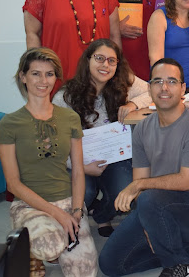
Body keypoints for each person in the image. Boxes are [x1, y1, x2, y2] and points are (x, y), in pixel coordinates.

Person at [99, 58, 189, 277]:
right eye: (157, 82)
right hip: (156, 206)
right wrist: (150, 224)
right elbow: (141, 184)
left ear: (183, 88)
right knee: (111, 264)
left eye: (172, 81)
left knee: (149, 198)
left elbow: (186, 181)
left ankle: (180, 264)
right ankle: (184, 246)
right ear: (149, 89)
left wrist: (138, 187)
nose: (164, 87)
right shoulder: (142, 128)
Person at [0, 48, 97, 277]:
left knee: (85, 273)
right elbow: (12, 183)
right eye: (36, 74)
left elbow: (78, 172)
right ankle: (35, 249)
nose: (43, 81)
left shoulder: (69, 118)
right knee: (49, 245)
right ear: (23, 77)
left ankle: (51, 244)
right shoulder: (9, 123)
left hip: (68, 202)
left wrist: (76, 211)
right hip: (29, 205)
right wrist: (58, 215)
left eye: (49, 74)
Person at [53, 38, 152, 237]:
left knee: (125, 190)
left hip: (114, 158)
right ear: (88, 60)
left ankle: (101, 214)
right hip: (79, 161)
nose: (105, 65)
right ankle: (84, 212)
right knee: (85, 193)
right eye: (99, 58)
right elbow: (54, 144)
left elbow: (151, 91)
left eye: (111, 61)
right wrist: (80, 166)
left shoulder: (123, 84)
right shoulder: (65, 97)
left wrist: (132, 104)